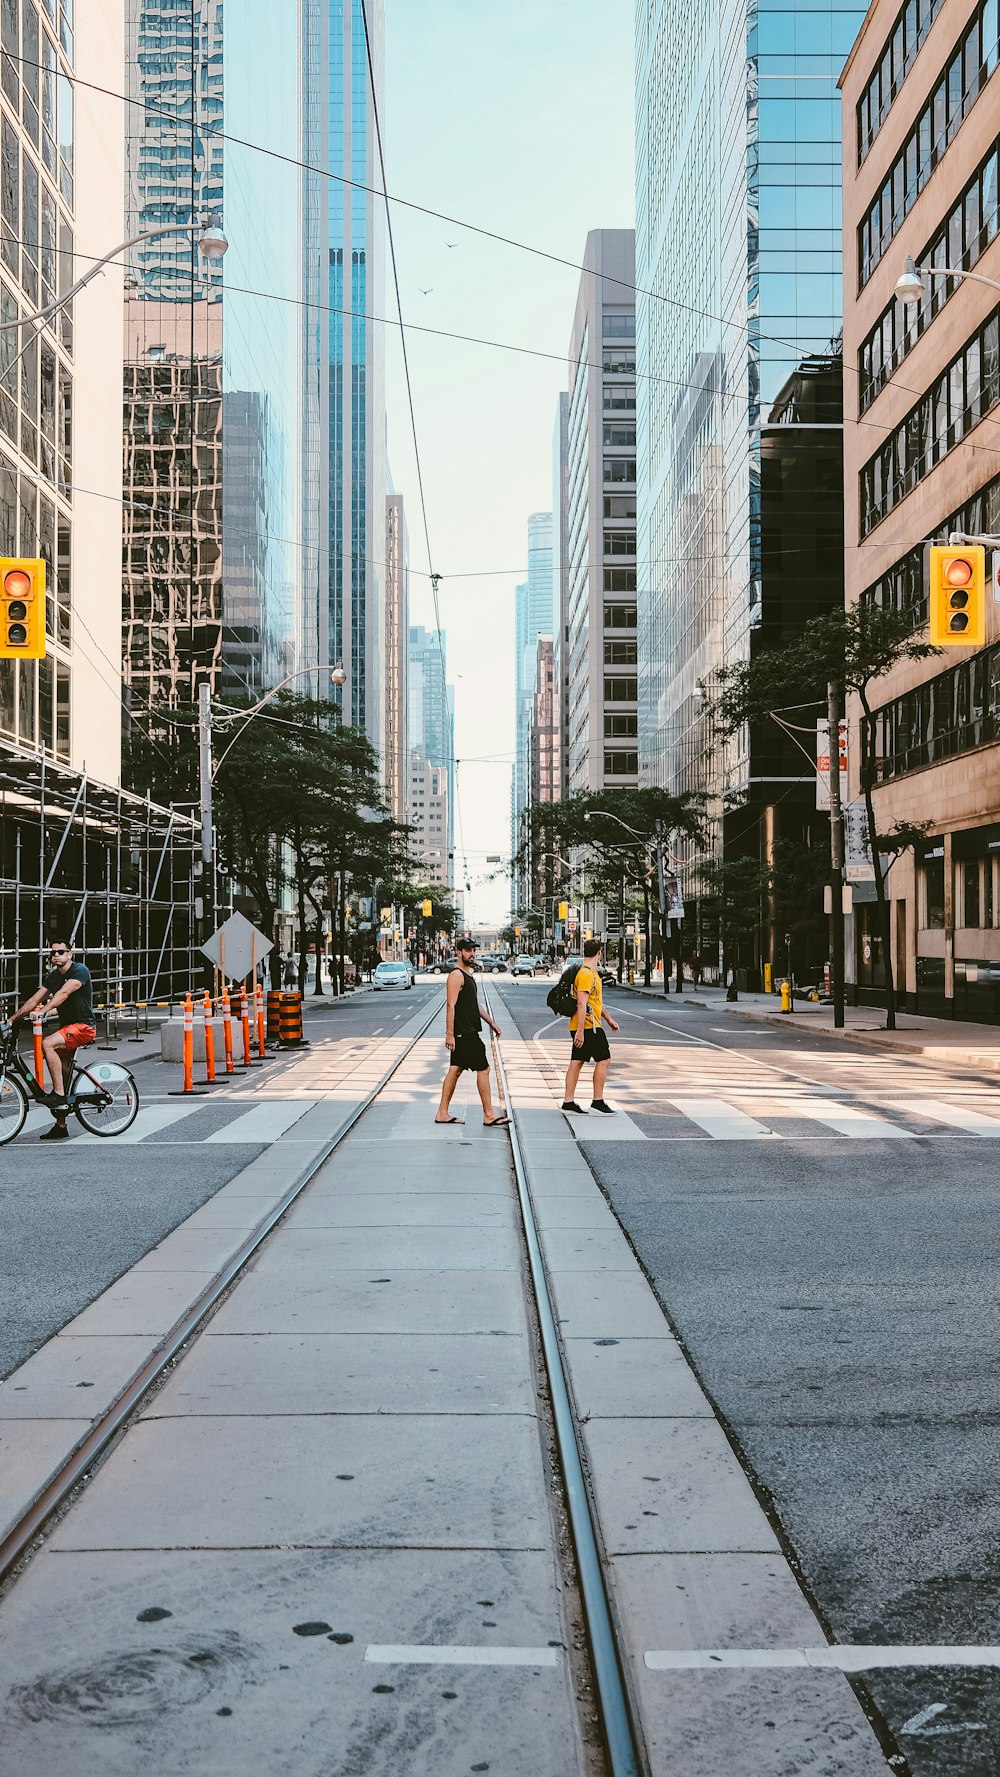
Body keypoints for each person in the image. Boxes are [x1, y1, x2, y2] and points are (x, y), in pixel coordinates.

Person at [12, 937, 97, 1141]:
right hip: (67, 1028)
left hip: (83, 1027)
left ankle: (58, 1094)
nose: (56, 955)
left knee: (47, 1043)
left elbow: (64, 993)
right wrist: (11, 1019)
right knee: (63, 1071)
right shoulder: (53, 976)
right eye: (53, 953)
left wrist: (44, 1011)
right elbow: (35, 999)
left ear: (70, 953)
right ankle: (61, 1125)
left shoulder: (79, 971)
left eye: (60, 952)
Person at [435, 933, 509, 1127]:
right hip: (464, 1033)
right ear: (459, 952)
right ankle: (488, 1114)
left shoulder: (468, 976)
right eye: (468, 950)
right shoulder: (456, 975)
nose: (472, 954)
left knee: (455, 1070)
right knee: (483, 1069)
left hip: (467, 1031)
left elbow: (474, 1004)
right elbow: (451, 1006)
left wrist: (491, 1023)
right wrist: (449, 1034)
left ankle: (442, 1112)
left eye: (474, 950)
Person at [562, 938, 620, 1116]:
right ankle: (597, 1101)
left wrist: (608, 1019)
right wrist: (580, 1031)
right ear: (599, 953)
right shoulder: (587, 974)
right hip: (589, 1027)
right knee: (604, 1059)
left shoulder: (589, 972)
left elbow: (594, 1003)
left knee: (577, 1061)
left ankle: (568, 1102)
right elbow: (582, 1003)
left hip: (586, 1025)